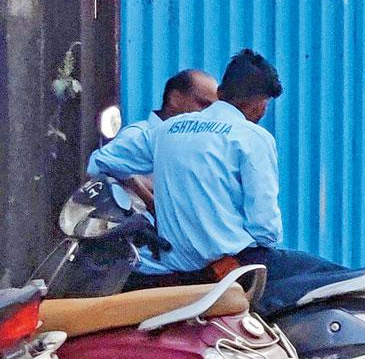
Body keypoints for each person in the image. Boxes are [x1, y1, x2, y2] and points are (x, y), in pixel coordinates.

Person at [86, 49, 350, 308]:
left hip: (173, 265)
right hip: (231, 268)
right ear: (261, 104)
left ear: (221, 93)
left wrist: (146, 194)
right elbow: (266, 230)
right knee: (336, 278)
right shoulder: (252, 138)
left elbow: (100, 162)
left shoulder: (166, 130)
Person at [89, 69, 219, 212]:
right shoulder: (139, 134)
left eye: (214, 107)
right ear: (175, 98)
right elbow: (97, 164)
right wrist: (146, 194)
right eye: (203, 104)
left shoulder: (201, 143)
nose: (209, 113)